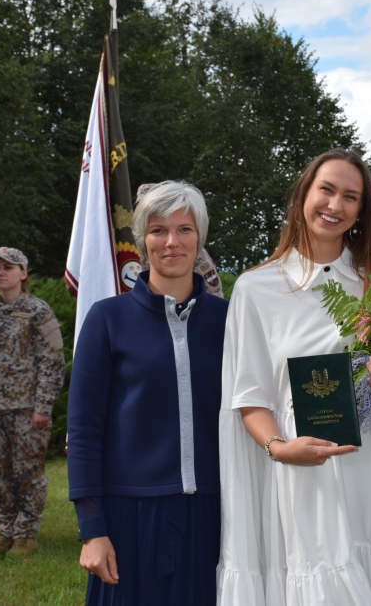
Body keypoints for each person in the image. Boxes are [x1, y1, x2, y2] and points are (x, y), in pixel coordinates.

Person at [217, 148, 371, 605]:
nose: (335, 205)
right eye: (326, 190)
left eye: (351, 197)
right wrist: (280, 448)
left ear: (361, 213)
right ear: (303, 195)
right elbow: (248, 395)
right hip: (307, 467)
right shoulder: (256, 288)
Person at [68, 181, 228, 605]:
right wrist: (92, 529)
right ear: (142, 240)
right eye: (158, 230)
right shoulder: (107, 319)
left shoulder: (230, 321)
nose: (172, 241)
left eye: (185, 229)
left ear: (200, 238)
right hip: (129, 515)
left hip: (213, 512)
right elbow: (83, 428)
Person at [0, 247, 65, 557]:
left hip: (26, 410)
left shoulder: (38, 310)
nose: (0, 273)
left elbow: (53, 363)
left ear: (23, 273)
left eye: (8, 267)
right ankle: (4, 532)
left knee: (27, 475)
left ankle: (26, 534)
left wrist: (42, 407)